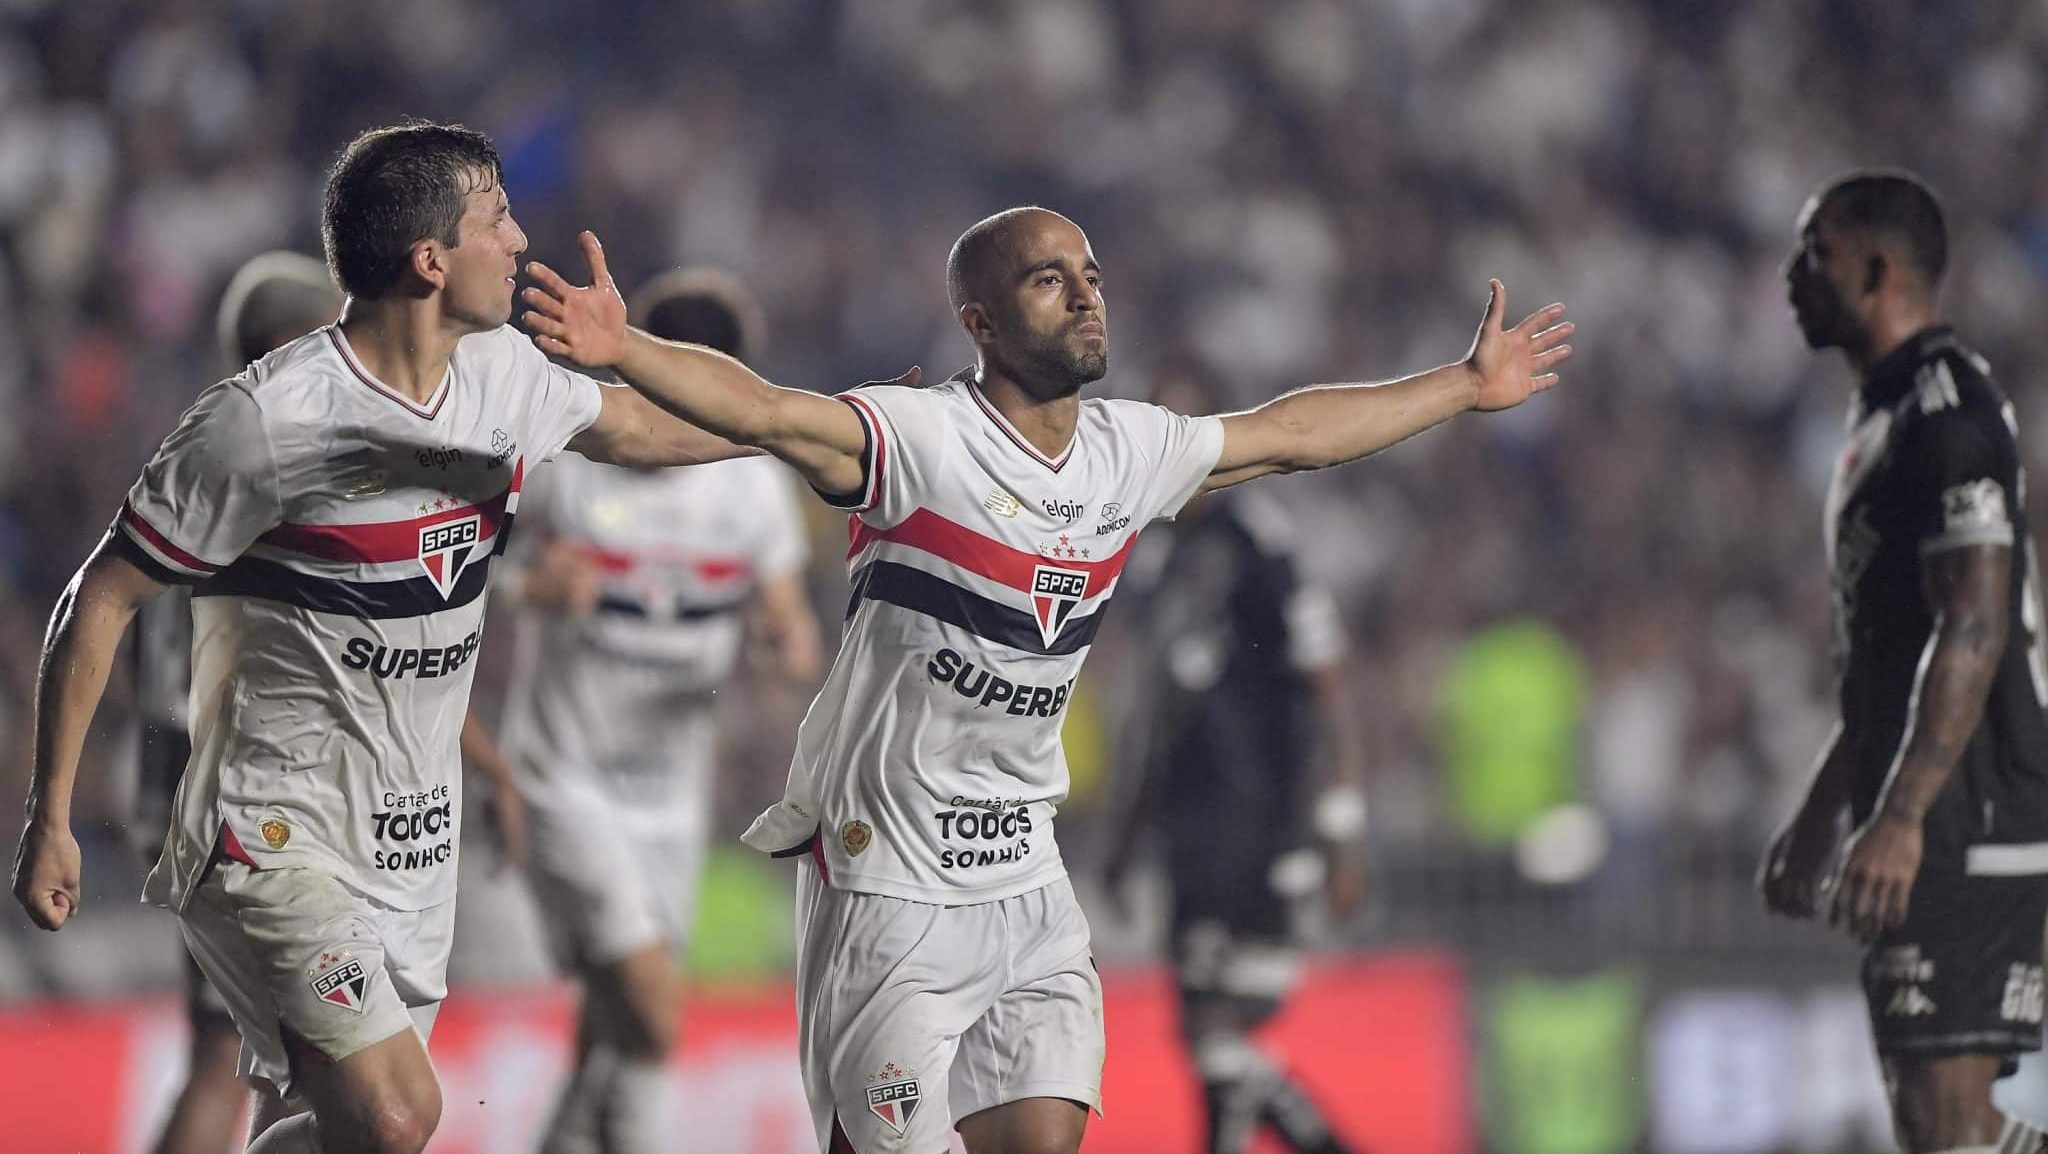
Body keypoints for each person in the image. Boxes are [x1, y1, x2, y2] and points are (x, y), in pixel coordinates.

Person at [518, 205, 1570, 1153]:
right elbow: (766, 413)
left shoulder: (1129, 451)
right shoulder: (921, 439)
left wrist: (1463, 386)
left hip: (1024, 874)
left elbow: (1288, 435)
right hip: (890, 877)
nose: (1083, 294)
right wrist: (628, 350)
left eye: (1091, 273)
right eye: (1046, 278)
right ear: (976, 322)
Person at [10, 121, 758, 1154]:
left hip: (410, 836)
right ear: (431, 259)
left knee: (358, 1133)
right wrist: (48, 815)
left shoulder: (506, 376)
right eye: (496, 217)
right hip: (272, 828)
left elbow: (641, 427)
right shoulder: (266, 421)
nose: (520, 237)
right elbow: (100, 595)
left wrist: (824, 431)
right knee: (399, 1109)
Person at [501, 267, 822, 1154]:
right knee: (650, 1009)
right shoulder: (570, 463)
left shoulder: (754, 488)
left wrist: (782, 642)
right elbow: (467, 570)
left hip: (669, 795)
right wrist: (527, 583)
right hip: (563, 777)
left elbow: (789, 626)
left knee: (619, 1025)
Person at [1760, 170, 2048, 1154]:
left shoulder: (1944, 411)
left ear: (1878, 269)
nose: (1794, 277)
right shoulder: (1880, 416)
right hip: (1932, 807)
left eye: (1816, 254)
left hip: (1967, 810)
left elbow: (1972, 622)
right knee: (1936, 1124)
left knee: (1944, 1125)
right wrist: (1818, 811)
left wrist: (1899, 812)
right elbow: (1892, 659)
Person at [1098, 366, 1369, 1154]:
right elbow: (1154, 710)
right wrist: (1124, 835)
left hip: (1262, 823)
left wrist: (1340, 827)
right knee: (1210, 1041)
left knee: (1219, 1032)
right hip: (1188, 833)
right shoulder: (1150, 558)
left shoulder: (1263, 543)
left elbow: (1329, 690)